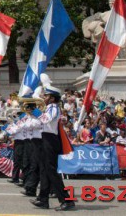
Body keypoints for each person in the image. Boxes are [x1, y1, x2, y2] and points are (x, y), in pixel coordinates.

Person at [31, 76, 74, 211]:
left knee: (51, 171)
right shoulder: (48, 108)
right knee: (44, 170)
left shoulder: (54, 107)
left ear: (53, 98)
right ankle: (43, 199)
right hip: (45, 138)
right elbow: (39, 123)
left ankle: (66, 200)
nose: (44, 97)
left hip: (51, 140)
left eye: (47, 96)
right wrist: (32, 113)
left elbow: (46, 119)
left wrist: (35, 110)